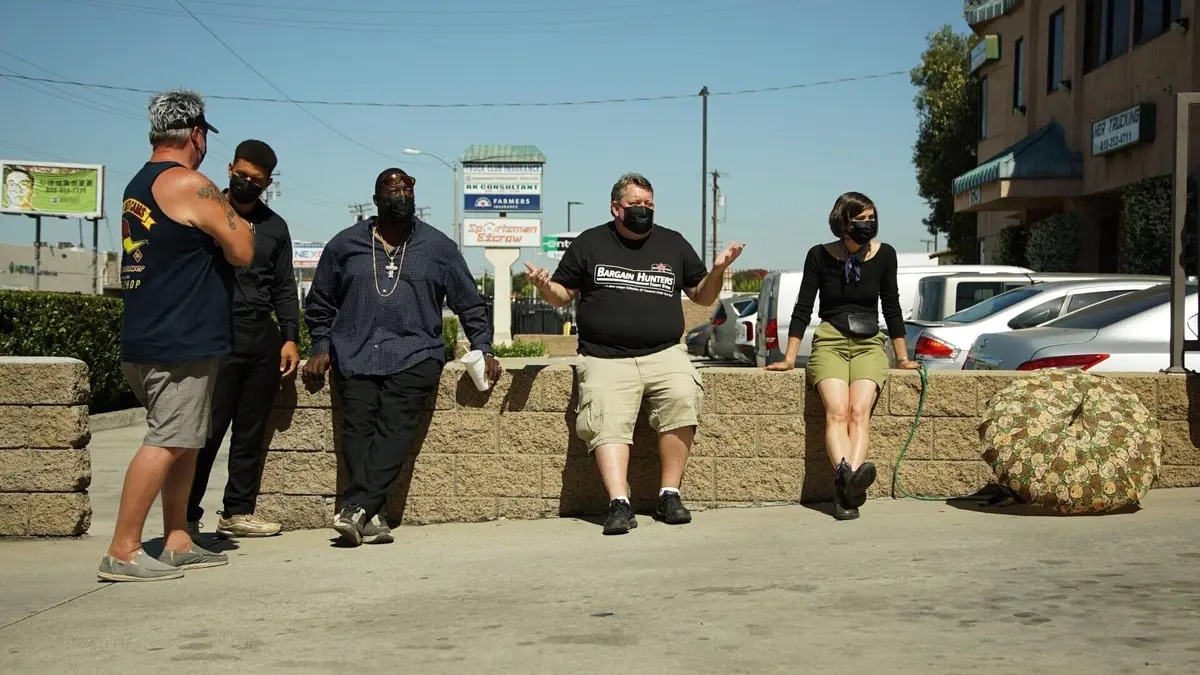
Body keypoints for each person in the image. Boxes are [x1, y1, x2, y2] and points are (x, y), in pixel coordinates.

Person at [524, 172, 744, 535]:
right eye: (635, 204)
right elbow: (563, 295)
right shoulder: (590, 243)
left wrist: (718, 271)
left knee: (682, 396)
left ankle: (669, 495)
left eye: (649, 204)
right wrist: (544, 286)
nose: (643, 209)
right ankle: (619, 503)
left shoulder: (673, 243)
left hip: (665, 353)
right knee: (606, 417)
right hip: (604, 356)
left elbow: (703, 296)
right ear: (616, 208)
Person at [99, 89, 256, 582]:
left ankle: (177, 539)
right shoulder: (189, 183)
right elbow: (243, 248)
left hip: (149, 333)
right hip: (180, 340)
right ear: (197, 135)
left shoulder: (139, 183)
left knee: (185, 441)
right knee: (168, 441)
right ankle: (123, 549)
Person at [302, 168, 501, 547]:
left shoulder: (438, 247)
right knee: (358, 429)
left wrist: (484, 347)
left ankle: (355, 507)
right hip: (355, 351)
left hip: (416, 353)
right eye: (393, 190)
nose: (402, 195)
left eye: (408, 189)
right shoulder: (345, 244)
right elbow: (320, 302)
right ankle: (371, 516)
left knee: (395, 427)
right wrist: (320, 347)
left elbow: (469, 302)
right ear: (377, 199)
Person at [765, 191, 919, 520]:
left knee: (858, 412)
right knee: (837, 412)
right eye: (861, 219)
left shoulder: (885, 255)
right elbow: (803, 307)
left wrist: (903, 358)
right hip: (831, 340)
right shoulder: (819, 255)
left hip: (869, 343)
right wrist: (789, 358)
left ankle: (847, 489)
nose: (868, 224)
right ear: (843, 222)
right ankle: (849, 485)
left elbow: (891, 306)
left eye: (871, 218)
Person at [186, 140, 299, 542]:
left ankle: (237, 511)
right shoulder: (205, 213)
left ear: (268, 182)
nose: (247, 183)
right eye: (241, 175)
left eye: (257, 179)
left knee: (250, 433)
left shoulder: (275, 227)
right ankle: (185, 516)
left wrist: (290, 337)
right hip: (216, 334)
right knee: (206, 432)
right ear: (230, 168)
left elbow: (284, 286)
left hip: (261, 335)